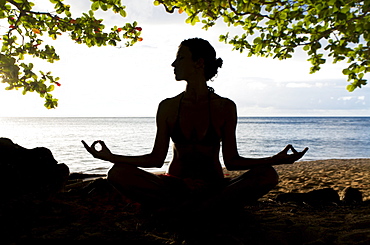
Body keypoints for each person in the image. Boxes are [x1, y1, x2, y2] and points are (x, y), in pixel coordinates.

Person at [82, 38, 308, 213]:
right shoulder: (168, 107)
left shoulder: (225, 107)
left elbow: (232, 161)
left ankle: (193, 209)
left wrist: (275, 160)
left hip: (214, 187)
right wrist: (110, 157)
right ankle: (204, 209)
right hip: (173, 186)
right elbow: (155, 159)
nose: (173, 63)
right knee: (118, 173)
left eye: (180, 58)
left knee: (267, 175)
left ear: (199, 63)